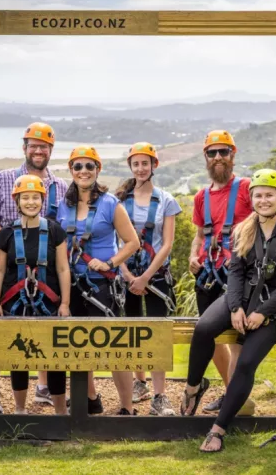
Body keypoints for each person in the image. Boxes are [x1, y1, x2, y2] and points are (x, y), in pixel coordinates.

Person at [182, 168, 276, 453]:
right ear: (252, 199)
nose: (264, 201)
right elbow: (236, 272)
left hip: (274, 309)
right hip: (240, 297)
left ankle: (218, 429)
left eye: (269, 196)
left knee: (247, 362)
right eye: (259, 196)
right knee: (203, 329)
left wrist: (262, 312)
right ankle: (192, 387)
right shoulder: (244, 230)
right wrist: (236, 306)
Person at [0, 122, 69, 412]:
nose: (39, 150)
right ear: (25, 148)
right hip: (12, 272)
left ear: (50, 150)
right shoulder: (5, 178)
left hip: (47, 274)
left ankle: (45, 390)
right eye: (33, 145)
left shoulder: (59, 186)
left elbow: (62, 245)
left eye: (44, 146)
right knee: (13, 343)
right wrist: (14, 241)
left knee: (48, 343)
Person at [57, 145, 141, 415]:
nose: (83, 171)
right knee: (77, 345)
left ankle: (127, 407)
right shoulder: (64, 205)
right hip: (72, 283)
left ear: (97, 170)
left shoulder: (109, 204)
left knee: (116, 349)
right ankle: (90, 398)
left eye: (89, 166)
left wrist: (110, 263)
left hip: (102, 284)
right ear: (71, 170)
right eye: (78, 167)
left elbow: (132, 242)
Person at [189, 130, 256, 416]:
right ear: (205, 157)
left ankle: (236, 397)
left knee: (237, 334)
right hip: (207, 275)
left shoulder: (246, 189)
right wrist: (193, 256)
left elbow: (263, 225)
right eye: (212, 153)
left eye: (223, 152)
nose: (218, 157)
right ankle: (233, 393)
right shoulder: (201, 196)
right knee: (211, 336)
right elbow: (199, 235)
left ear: (233, 154)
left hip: (236, 274)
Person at [114, 142, 182, 416]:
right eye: (136, 164)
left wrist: (145, 277)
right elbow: (115, 240)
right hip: (127, 275)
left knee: (157, 335)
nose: (141, 168)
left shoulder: (166, 200)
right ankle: (139, 382)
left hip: (157, 276)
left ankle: (159, 395)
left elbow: (166, 244)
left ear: (155, 165)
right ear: (131, 167)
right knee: (131, 332)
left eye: (145, 163)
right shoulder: (119, 201)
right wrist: (129, 275)